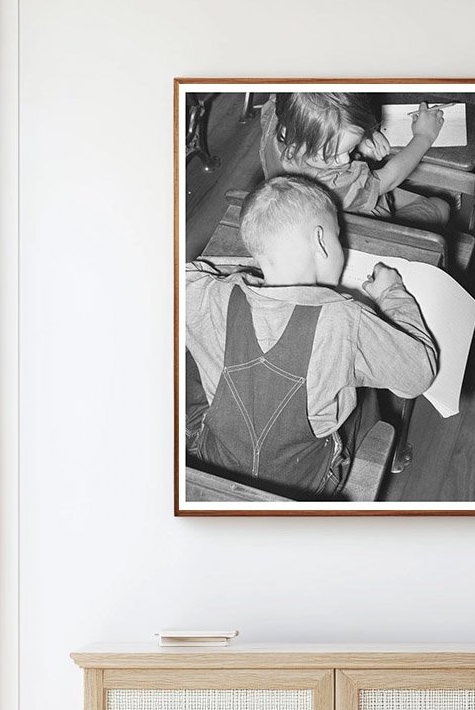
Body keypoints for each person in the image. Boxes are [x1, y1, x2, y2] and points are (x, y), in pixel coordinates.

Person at [185, 175, 437, 499]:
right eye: (338, 237)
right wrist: (392, 293)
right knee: (364, 390)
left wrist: (246, 272)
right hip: (308, 486)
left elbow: (187, 271)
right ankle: (390, 455)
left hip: (212, 468)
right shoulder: (345, 319)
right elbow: (419, 375)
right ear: (321, 242)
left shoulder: (208, 296)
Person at [259, 92, 451, 227]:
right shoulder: (334, 182)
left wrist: (362, 136)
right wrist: (423, 136)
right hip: (362, 227)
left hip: (308, 211)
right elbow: (390, 177)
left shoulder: (278, 116)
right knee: (441, 207)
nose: (344, 160)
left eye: (348, 149)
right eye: (330, 154)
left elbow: (327, 117)